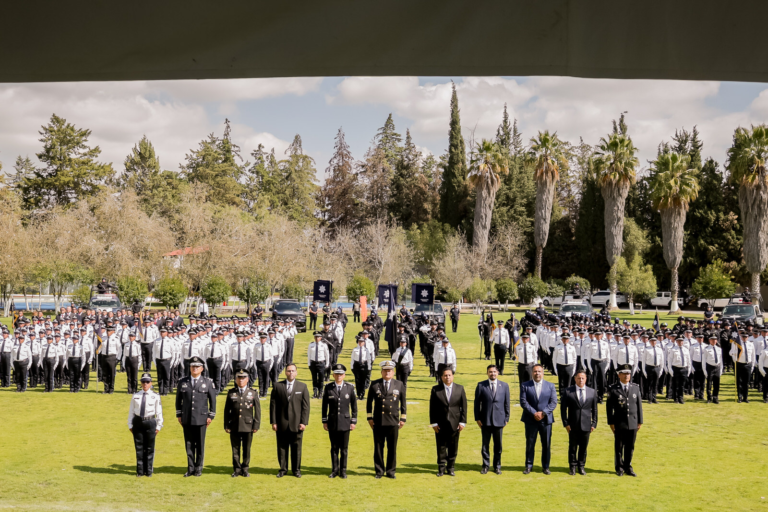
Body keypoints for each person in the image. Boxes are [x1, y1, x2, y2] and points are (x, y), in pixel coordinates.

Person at [175, 356, 217, 477]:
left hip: (201, 418)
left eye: (197, 367)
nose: (194, 368)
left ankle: (198, 468)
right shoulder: (183, 382)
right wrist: (179, 414)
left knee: (199, 444)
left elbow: (212, 401)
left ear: (202, 368)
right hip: (187, 417)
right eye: (193, 366)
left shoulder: (207, 382)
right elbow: (178, 400)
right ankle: (190, 468)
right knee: (189, 445)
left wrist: (211, 416)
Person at [367, 360, 407, 479]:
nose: (387, 373)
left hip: (393, 421)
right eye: (385, 370)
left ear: (393, 372)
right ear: (381, 372)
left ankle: (390, 471)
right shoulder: (375, 384)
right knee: (378, 448)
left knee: (392, 447)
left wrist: (403, 418)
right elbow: (369, 402)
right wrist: (369, 417)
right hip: (378, 421)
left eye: (389, 371)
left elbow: (403, 402)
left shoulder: (399, 384)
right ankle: (379, 471)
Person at [270, 364, 310, 478]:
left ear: (296, 372)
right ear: (285, 372)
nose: (291, 373)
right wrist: (274, 422)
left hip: (297, 423)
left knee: (296, 447)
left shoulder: (302, 386)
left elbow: (305, 407)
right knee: (282, 447)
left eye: (293, 371)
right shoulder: (277, 386)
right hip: (281, 422)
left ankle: (296, 470)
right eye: (288, 371)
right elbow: (273, 406)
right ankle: (283, 469)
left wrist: (304, 422)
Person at [429, 366, 467, 477]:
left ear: (453, 376)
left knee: (453, 447)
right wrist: (434, 423)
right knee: (441, 447)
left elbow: (464, 407)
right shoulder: (436, 389)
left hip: (455, 424)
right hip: (440, 424)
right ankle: (441, 468)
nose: (447, 377)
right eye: (445, 375)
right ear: (441, 377)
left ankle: (451, 468)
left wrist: (462, 422)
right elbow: (432, 408)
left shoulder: (460, 389)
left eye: (449, 375)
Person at [519, 364, 557, 475]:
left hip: (546, 420)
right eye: (535, 371)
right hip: (531, 419)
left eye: (539, 371)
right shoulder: (525, 385)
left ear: (543, 373)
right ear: (532, 373)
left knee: (546, 444)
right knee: (530, 443)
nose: (537, 373)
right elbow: (523, 402)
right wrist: (534, 413)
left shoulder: (550, 386)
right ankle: (528, 465)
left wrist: (543, 413)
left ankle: (545, 467)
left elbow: (553, 402)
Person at [322, 363, 358, 478]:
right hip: (332, 422)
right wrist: (324, 420)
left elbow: (354, 406)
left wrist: (353, 421)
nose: (339, 376)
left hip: (345, 422)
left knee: (344, 448)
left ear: (344, 375)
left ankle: (343, 470)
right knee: (334, 448)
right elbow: (324, 406)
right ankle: (334, 470)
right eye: (337, 374)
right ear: (333, 375)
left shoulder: (350, 387)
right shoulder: (328, 387)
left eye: (341, 374)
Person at [606, 364, 643, 477]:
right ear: (619, 375)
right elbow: (609, 408)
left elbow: (639, 406)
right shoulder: (613, 389)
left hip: (632, 422)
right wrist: (611, 423)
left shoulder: (635, 387)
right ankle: (619, 467)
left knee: (630, 446)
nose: (627, 375)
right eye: (624, 373)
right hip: (619, 423)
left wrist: (640, 421)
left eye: (628, 373)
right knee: (619, 446)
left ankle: (628, 466)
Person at [560, 370, 598, 475]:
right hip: (573, 425)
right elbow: (563, 409)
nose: (580, 380)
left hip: (586, 425)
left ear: (586, 379)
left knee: (583, 447)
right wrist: (566, 424)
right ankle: (572, 466)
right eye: (578, 378)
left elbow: (594, 409)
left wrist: (594, 423)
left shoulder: (592, 392)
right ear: (575, 379)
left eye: (583, 378)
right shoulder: (568, 391)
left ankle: (581, 466)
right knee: (572, 447)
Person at [223, 370, 260, 477]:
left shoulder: (253, 392)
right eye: (239, 378)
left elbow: (257, 411)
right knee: (235, 449)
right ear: (236, 379)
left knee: (246, 448)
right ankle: (237, 469)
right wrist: (226, 425)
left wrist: (256, 425)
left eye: (243, 378)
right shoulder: (231, 392)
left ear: (247, 379)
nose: (241, 380)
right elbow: (227, 410)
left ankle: (245, 468)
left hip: (248, 425)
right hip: (234, 425)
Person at [474, 365, 509, 474]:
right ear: (487, 373)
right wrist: (477, 418)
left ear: (497, 373)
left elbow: (507, 403)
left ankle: (497, 466)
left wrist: (507, 418)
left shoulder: (504, 386)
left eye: (494, 372)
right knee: (485, 445)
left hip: (499, 420)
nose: (492, 374)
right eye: (490, 372)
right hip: (485, 420)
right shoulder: (481, 385)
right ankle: (485, 465)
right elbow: (476, 403)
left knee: (498, 446)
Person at [128, 373, 163, 477]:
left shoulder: (155, 396)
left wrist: (159, 426)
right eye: (143, 382)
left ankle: (148, 471)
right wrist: (130, 424)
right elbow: (131, 411)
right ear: (141, 383)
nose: (145, 384)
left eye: (147, 382)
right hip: (138, 421)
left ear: (151, 383)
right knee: (139, 447)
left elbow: (159, 412)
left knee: (149, 447)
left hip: (150, 421)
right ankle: (140, 471)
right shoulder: (136, 395)